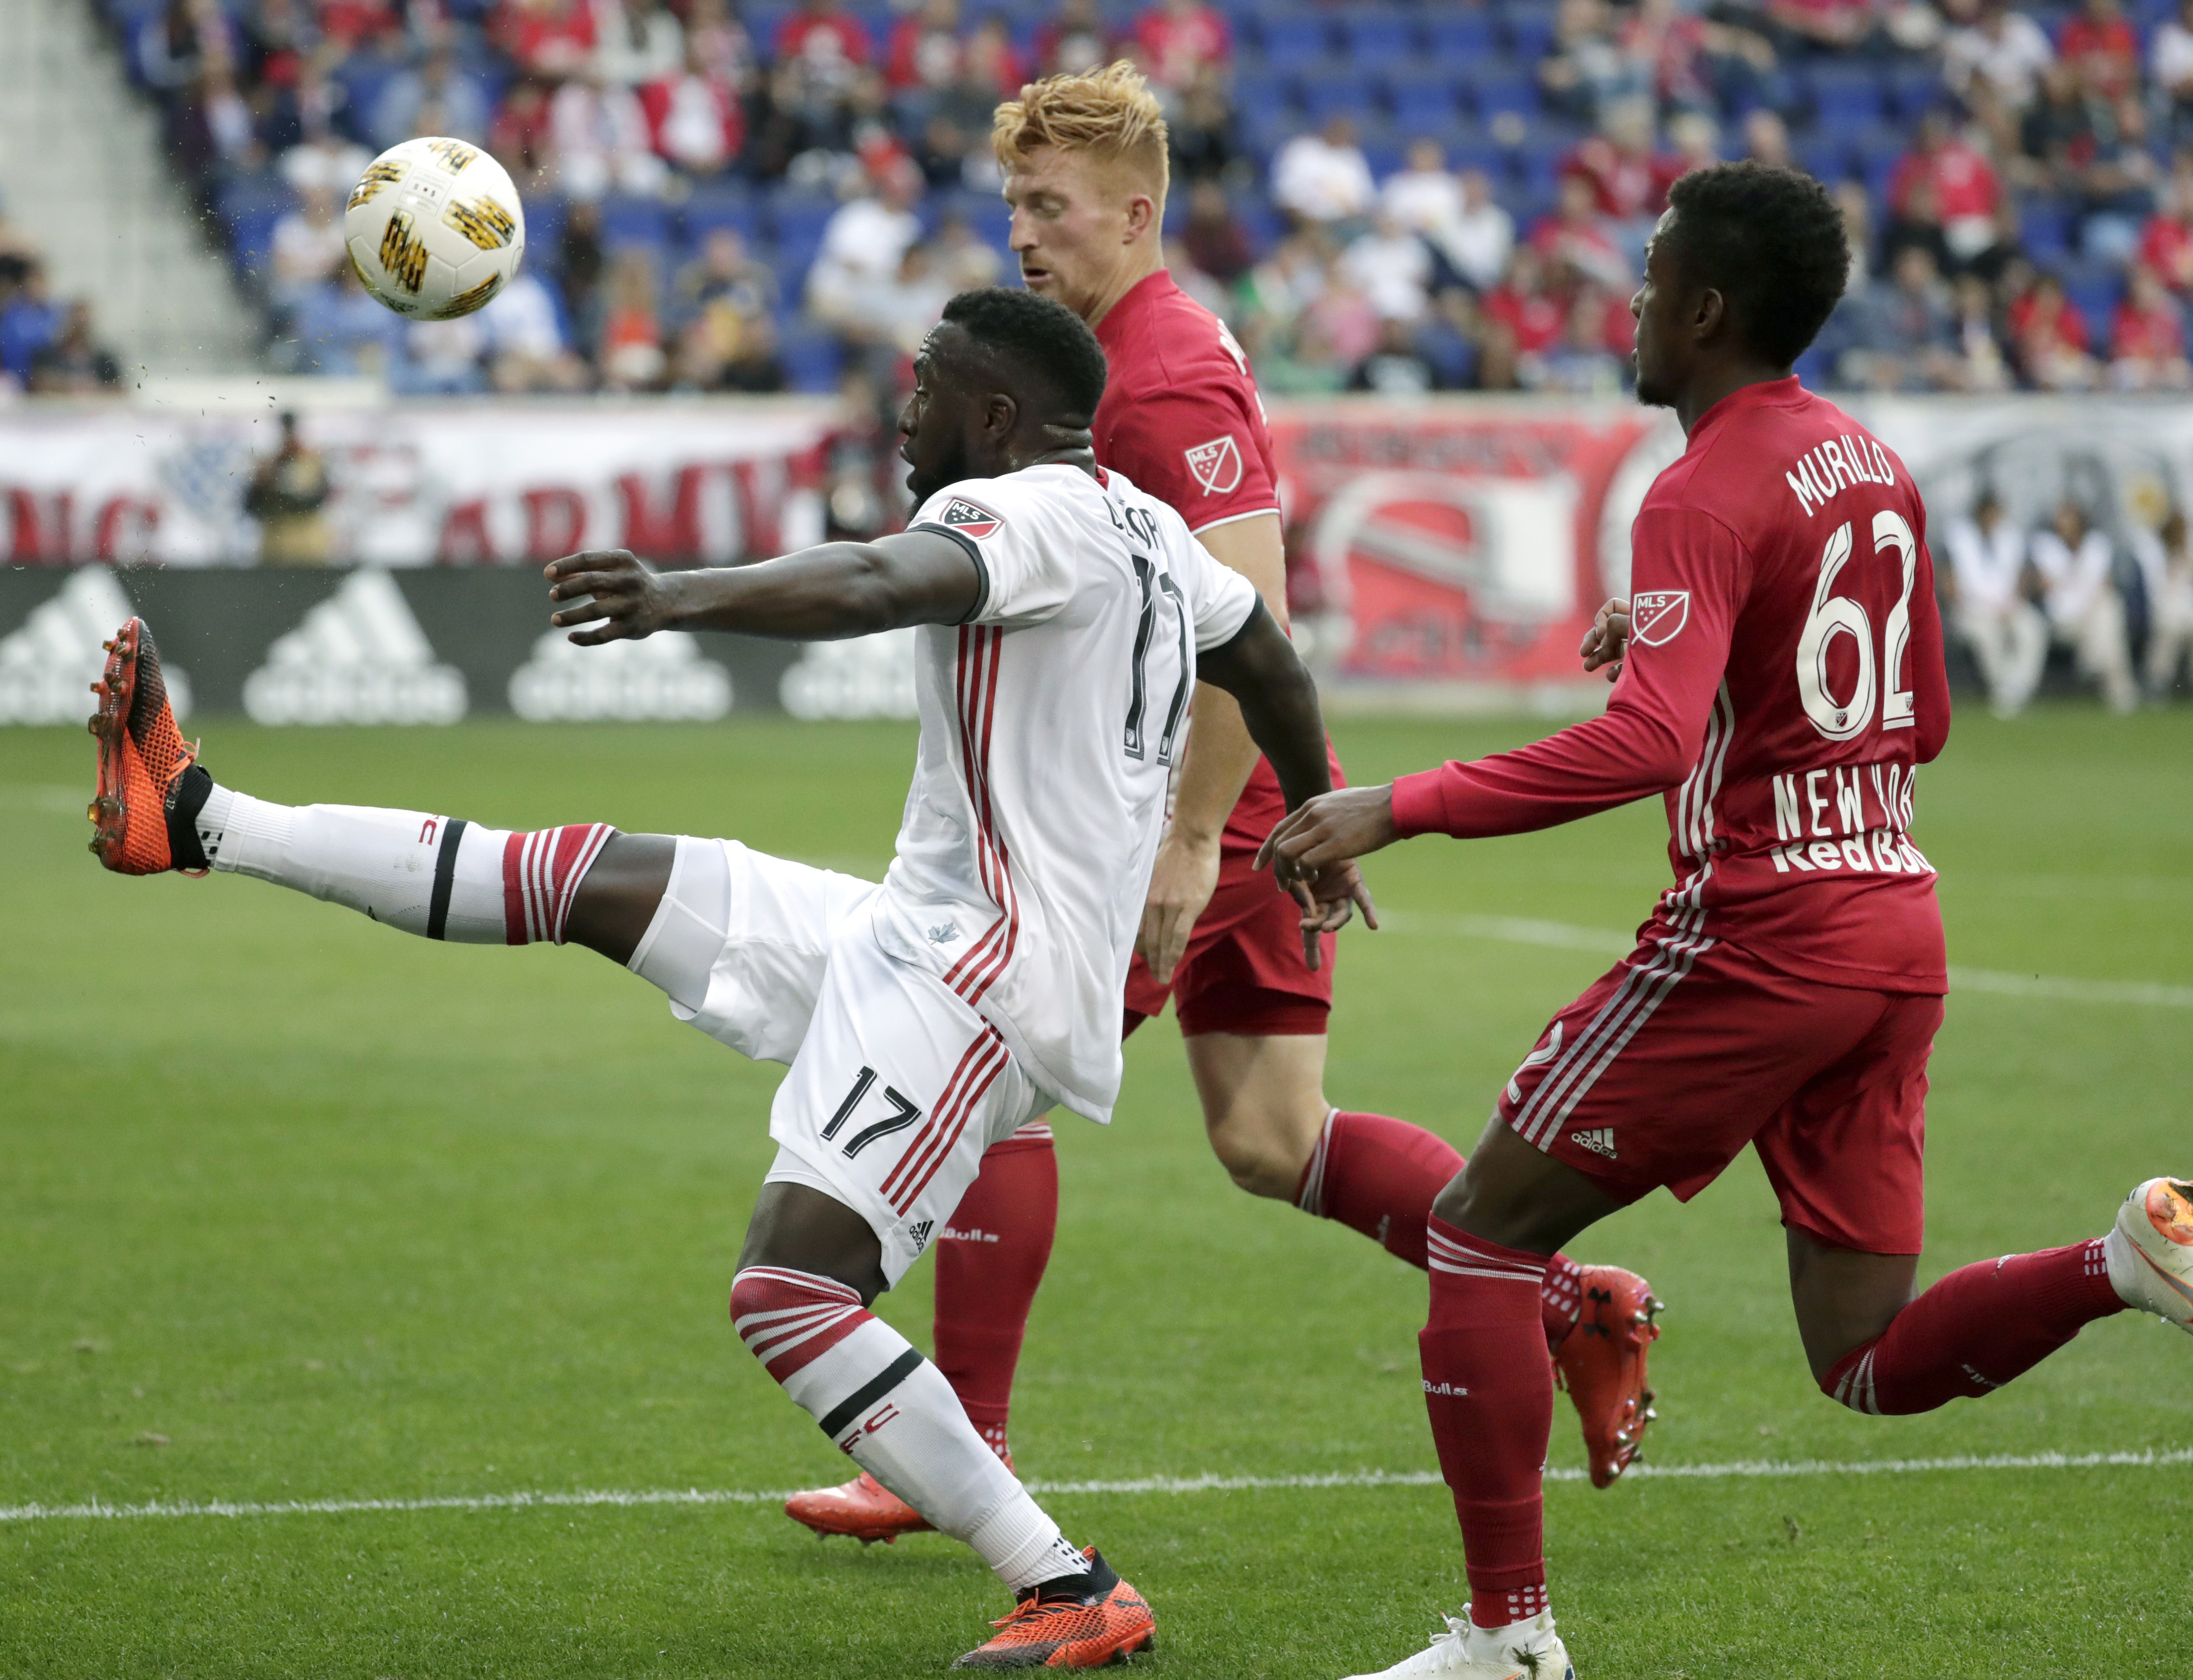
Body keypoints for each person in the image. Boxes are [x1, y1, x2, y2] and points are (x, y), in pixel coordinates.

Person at [87, 285, 1363, 1669]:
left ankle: (1065, 1580)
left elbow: (883, 584)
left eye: (928, 386)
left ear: (996, 418)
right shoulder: (1157, 532)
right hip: (914, 930)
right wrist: (1313, 815)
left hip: (982, 982)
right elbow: (1277, 665)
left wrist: (673, 596)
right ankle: (203, 819)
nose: (905, 408)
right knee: (589, 877)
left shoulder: (1034, 513)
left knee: (791, 1292)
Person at [1261, 161, 2193, 1680]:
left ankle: (1506, 1641)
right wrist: (1735, 665)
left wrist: (1396, 804)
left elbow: (1635, 747)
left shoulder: (1699, 485)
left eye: (1646, 283)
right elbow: (1925, 724)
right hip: (1897, 934)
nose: (1627, 307)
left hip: (1762, 943)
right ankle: (2119, 1267)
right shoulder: (1873, 461)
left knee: (1481, 1240)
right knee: (1867, 1362)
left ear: (1704, 308)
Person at [783, 61, 1664, 1546]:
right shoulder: (1116, 346)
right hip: (1214, 802)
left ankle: (954, 1460)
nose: (1023, 231)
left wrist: (1193, 835)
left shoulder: (1166, 366)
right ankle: (1577, 1305)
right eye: (1012, 203)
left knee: (992, 1077)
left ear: (1138, 212)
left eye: (1050, 206)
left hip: (1198, 808)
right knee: (1273, 1136)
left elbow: (1245, 610)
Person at [1941, 488, 2047, 715]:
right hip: (1972, 610)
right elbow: (1949, 584)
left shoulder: (2011, 537)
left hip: (2009, 606)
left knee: (2032, 628)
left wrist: (2014, 600)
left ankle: (2020, 687)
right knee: (1988, 637)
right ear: (1980, 513)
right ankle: (2002, 689)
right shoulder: (1958, 538)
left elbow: (2024, 577)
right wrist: (1975, 605)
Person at [2030, 498, 2138, 712]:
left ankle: (2097, 667)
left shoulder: (2097, 545)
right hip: (2063, 621)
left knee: (2108, 612)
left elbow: (2107, 585)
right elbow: (2042, 586)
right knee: (2107, 623)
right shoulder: (2046, 547)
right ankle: (2116, 687)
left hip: (2094, 614)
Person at [243, 411, 332, 563]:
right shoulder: (269, 465)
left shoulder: (312, 463)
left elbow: (320, 500)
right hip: (277, 548)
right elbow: (251, 505)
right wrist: (265, 484)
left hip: (308, 548)